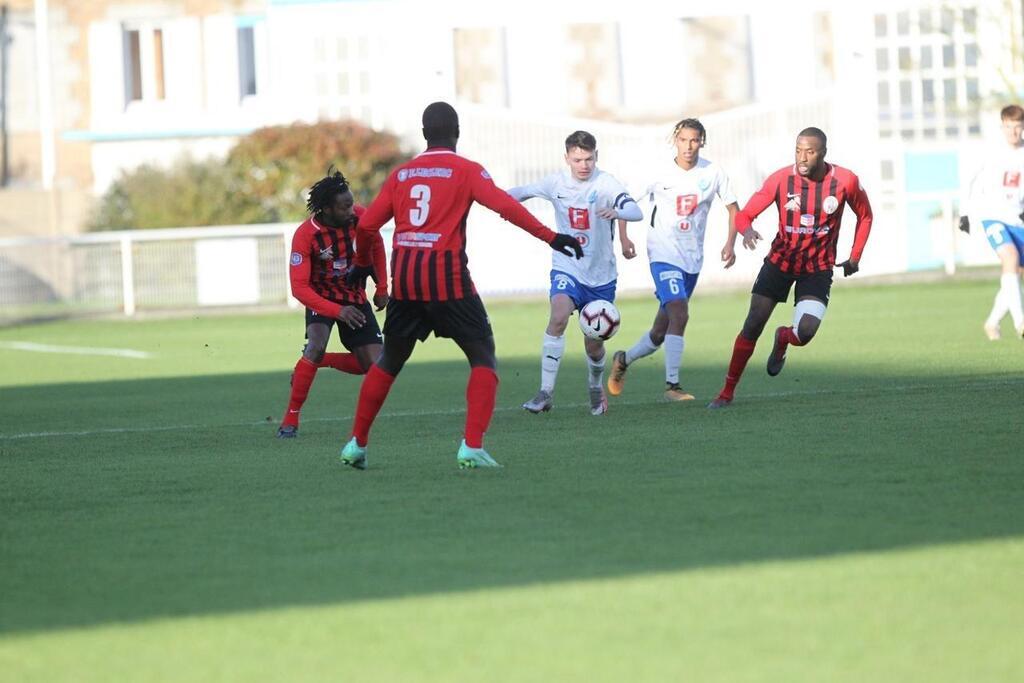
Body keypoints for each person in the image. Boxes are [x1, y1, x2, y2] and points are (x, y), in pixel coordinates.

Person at [340, 101, 583, 469]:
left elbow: (366, 224)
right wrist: (551, 237)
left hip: (406, 279)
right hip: (446, 278)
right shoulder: (466, 170)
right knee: (483, 356)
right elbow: (505, 206)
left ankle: (356, 444)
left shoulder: (402, 175)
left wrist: (360, 265)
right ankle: (471, 445)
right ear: (457, 132)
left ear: (424, 134)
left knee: (390, 360)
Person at [707, 127, 874, 408]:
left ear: (823, 153)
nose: (802, 157)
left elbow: (866, 216)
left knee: (805, 332)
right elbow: (744, 215)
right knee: (752, 325)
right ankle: (726, 392)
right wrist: (746, 231)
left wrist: (855, 256)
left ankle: (784, 337)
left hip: (817, 268)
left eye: (809, 151)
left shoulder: (846, 181)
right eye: (798, 150)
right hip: (780, 263)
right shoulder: (781, 180)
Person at [508, 131, 642, 416]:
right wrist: (485, 196)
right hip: (567, 266)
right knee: (558, 318)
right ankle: (545, 392)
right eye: (578, 159)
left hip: (601, 276)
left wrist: (618, 213)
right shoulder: (555, 182)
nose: (584, 165)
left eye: (589, 159)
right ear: (567, 158)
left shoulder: (606, 183)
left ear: (597, 157)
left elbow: (635, 210)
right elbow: (519, 193)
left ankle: (595, 387)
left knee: (593, 346)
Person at [606, 118, 739, 401]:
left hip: (692, 259)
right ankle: (672, 386)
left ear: (702, 141)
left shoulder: (713, 172)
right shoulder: (658, 171)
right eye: (683, 140)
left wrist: (731, 242)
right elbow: (625, 202)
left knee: (660, 330)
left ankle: (623, 359)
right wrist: (625, 237)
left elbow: (733, 207)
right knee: (680, 312)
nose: (688, 146)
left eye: (694, 140)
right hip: (663, 254)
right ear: (675, 141)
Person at [277, 169, 389, 438]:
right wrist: (338, 311)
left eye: (352, 202)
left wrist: (382, 286)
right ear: (326, 209)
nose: (353, 210)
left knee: (373, 366)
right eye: (345, 206)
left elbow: (376, 247)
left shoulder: (360, 218)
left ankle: (319, 361)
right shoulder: (306, 235)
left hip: (353, 295)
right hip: (321, 296)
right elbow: (299, 289)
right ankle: (290, 421)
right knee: (315, 345)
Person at [959, 104, 1024, 340]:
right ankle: (1020, 322)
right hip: (993, 217)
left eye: (1018, 127)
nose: (1013, 132)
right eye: (1009, 127)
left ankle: (992, 322)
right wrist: (964, 212)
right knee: (1010, 257)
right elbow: (969, 179)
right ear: (1002, 127)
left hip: (1018, 220)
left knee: (1016, 272)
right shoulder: (992, 152)